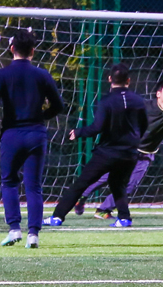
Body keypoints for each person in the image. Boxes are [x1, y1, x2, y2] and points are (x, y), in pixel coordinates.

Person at [73, 78, 163, 223]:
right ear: (158, 94)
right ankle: (81, 196)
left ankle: (104, 210)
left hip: (146, 155)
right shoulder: (144, 106)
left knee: (129, 186)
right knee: (105, 177)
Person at [0, 29, 64, 248]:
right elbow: (59, 105)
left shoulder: (2, 74)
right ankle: (34, 234)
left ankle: (14, 229)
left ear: (12, 49)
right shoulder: (42, 74)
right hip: (36, 134)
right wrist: (41, 116)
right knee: (34, 185)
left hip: (11, 134)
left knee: (9, 182)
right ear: (33, 51)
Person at [43, 63, 148, 228]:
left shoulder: (106, 101)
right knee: (117, 184)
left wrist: (79, 132)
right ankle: (124, 218)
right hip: (129, 154)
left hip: (107, 153)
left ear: (109, 79)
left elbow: (97, 127)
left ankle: (57, 217)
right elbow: (144, 126)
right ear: (129, 80)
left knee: (81, 184)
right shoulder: (139, 101)